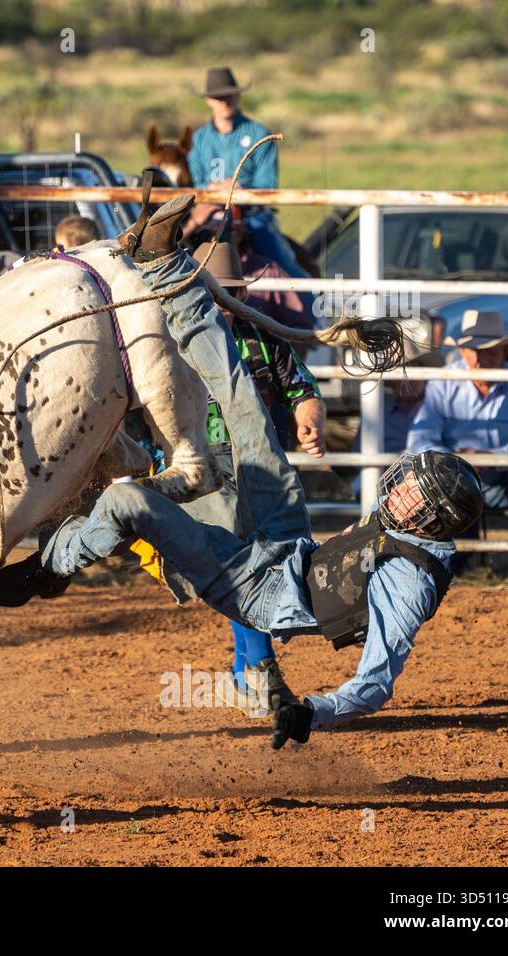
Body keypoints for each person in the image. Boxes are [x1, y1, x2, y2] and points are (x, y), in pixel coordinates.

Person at [0, 197, 484, 748]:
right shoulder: (406, 536)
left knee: (128, 502)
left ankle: (50, 567)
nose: (400, 487)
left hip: (257, 589)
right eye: (408, 479)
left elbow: (377, 681)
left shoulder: (412, 580)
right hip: (291, 546)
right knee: (247, 410)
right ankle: (166, 269)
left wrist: (313, 713)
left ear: (431, 519)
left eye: (414, 491)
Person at [176, 242, 325, 715]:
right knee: (240, 565)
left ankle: (249, 673)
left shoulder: (262, 338)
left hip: (258, 461)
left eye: (225, 294)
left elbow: (303, 389)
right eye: (211, 293)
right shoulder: (172, 341)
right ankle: (256, 672)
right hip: (199, 464)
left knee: (243, 567)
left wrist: (309, 419)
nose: (219, 304)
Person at [408, 310, 508, 581]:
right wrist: (457, 461)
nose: (481, 358)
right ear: (463, 352)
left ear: (503, 352)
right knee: (451, 482)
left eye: (490, 351)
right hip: (458, 481)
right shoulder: (443, 381)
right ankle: (458, 564)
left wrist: (494, 457)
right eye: (473, 350)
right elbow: (420, 440)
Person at [185, 67, 308, 281]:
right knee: (176, 248)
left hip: (251, 215)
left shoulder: (259, 134)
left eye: (229, 94)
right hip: (206, 212)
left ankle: (310, 301)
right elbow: (194, 183)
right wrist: (213, 190)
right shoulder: (198, 140)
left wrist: (238, 191)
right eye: (218, 96)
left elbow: (267, 185)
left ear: (238, 95)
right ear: (208, 101)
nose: (224, 101)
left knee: (282, 265)